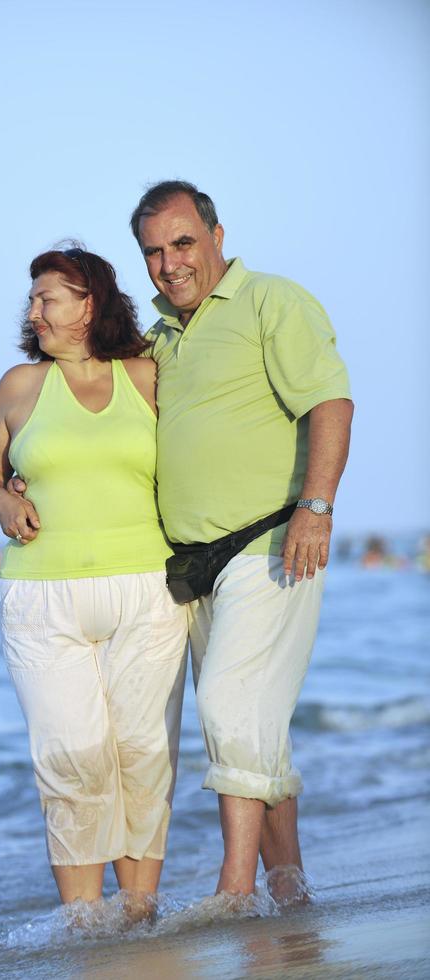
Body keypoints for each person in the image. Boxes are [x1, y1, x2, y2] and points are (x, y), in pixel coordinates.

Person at [128, 180, 354, 900]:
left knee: (227, 704)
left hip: (274, 542)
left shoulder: (271, 301)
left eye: (183, 243)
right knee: (256, 725)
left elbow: (331, 399)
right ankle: (286, 883)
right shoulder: (159, 337)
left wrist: (316, 508)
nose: (171, 264)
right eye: (154, 252)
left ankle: (235, 890)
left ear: (218, 236)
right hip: (194, 566)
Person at [0, 247, 188, 917]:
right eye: (33, 301)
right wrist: (2, 502)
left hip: (148, 590)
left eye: (47, 298)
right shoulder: (18, 386)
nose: (34, 312)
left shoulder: (149, 376)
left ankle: (140, 914)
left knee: (143, 753)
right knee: (69, 759)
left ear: (89, 302)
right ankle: (85, 926)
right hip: (41, 596)